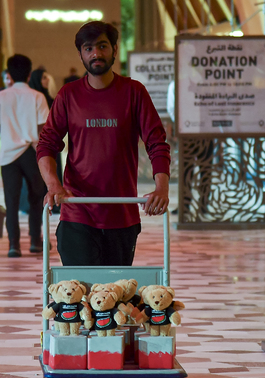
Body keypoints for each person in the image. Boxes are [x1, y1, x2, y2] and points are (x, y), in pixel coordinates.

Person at [37, 21, 171, 269]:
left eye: (102, 46)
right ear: (81, 54)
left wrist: (161, 187)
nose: (96, 54)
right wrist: (53, 184)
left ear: (114, 49)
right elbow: (46, 144)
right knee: (79, 294)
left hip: (122, 214)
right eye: (88, 48)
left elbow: (157, 142)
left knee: (114, 296)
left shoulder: (134, 92)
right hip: (77, 210)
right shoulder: (69, 95)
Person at [0, 55, 49, 257]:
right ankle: (36, 241)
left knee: (11, 200)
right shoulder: (37, 96)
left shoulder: (1, 96)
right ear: (29, 74)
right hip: (31, 151)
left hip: (8, 154)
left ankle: (14, 245)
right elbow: (43, 128)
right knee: (36, 197)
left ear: (9, 74)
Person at [28, 68, 63, 213]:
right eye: (43, 78)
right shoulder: (35, 98)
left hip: (51, 145)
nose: (47, 80)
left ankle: (55, 203)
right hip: (37, 146)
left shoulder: (51, 99)